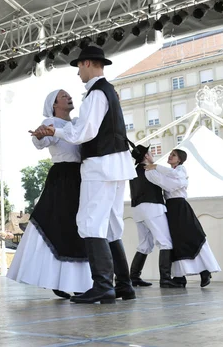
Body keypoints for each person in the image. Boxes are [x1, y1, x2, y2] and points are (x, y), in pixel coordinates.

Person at [44, 46, 137, 304]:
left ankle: (104, 286)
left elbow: (84, 132)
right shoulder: (108, 91)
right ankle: (125, 286)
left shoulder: (96, 94)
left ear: (86, 63)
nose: (77, 74)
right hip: (116, 165)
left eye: (78, 67)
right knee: (110, 226)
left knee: (89, 222)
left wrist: (55, 132)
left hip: (100, 165)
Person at [7, 89, 92, 299]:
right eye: (63, 96)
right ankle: (60, 278)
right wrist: (39, 135)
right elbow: (41, 141)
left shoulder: (78, 123)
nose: (69, 97)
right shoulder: (51, 122)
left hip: (80, 176)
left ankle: (78, 280)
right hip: (63, 177)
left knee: (77, 227)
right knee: (61, 225)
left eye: (68, 95)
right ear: (54, 104)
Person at [145, 149, 221, 287]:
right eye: (170, 154)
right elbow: (164, 182)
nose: (170, 156)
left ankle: (204, 271)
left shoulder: (180, 170)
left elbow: (170, 183)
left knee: (192, 237)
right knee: (176, 241)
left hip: (180, 207)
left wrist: (155, 166)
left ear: (180, 159)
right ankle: (179, 276)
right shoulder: (171, 173)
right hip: (171, 208)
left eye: (173, 155)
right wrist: (153, 168)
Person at [127, 144, 181, 288]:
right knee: (165, 242)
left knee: (145, 244)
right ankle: (165, 278)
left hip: (138, 210)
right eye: (150, 153)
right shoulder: (149, 170)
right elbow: (169, 186)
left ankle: (134, 277)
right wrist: (182, 181)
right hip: (153, 207)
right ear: (145, 156)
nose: (152, 155)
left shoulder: (133, 171)